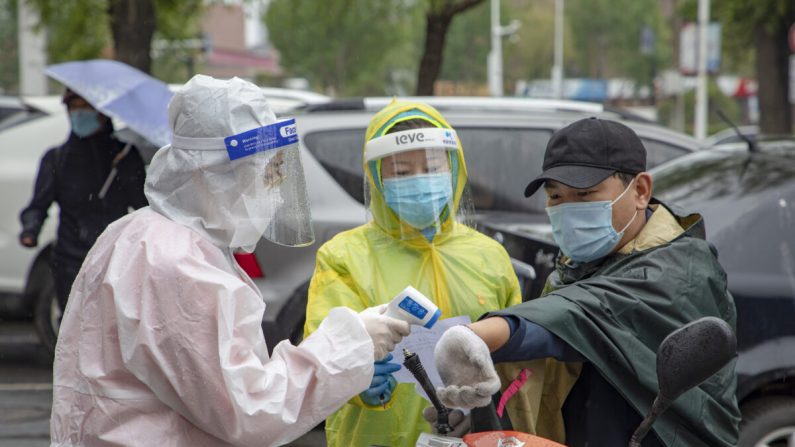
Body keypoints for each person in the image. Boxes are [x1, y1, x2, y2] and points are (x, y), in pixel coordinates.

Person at [49, 75, 411, 447]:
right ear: (214, 171)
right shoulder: (177, 264)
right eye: (268, 174)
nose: (274, 191)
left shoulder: (136, 233)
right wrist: (351, 341)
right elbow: (252, 411)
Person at [433, 117, 741, 446]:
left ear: (640, 191)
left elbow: (573, 319)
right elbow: (551, 367)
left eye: (584, 194)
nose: (567, 209)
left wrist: (478, 335)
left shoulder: (680, 271)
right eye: (555, 197)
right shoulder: (573, 270)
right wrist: (480, 409)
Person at [304, 100, 526, 446]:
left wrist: (492, 397)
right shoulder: (344, 257)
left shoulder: (488, 256)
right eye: (403, 172)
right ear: (377, 178)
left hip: (476, 435)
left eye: (433, 167)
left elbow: (519, 353)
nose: (421, 181)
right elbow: (321, 350)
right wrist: (354, 380)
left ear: (453, 169)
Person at [19, 88, 148, 310]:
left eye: (86, 107)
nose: (79, 114)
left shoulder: (124, 155)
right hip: (70, 258)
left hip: (113, 257)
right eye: (74, 108)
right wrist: (31, 230)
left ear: (102, 113)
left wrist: (126, 171)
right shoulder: (56, 159)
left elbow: (142, 205)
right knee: (74, 323)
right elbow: (38, 205)